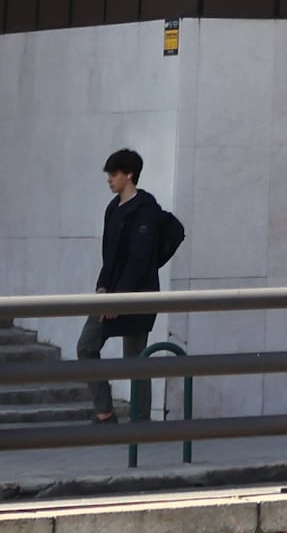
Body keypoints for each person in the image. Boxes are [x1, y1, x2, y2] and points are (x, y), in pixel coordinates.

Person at [91, 150, 185, 420]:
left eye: (114, 174)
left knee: (135, 361)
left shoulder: (145, 209)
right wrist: (102, 288)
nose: (109, 180)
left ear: (129, 175)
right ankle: (105, 413)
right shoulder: (113, 208)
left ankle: (141, 422)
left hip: (135, 299)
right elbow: (109, 257)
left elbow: (139, 262)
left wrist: (118, 299)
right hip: (110, 296)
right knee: (87, 346)